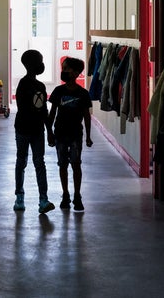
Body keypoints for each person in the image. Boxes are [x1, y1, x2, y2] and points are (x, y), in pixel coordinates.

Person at [47, 56, 93, 212]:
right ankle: (65, 194)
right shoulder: (58, 91)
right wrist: (49, 133)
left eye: (66, 69)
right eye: (63, 68)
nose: (63, 71)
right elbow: (52, 113)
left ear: (75, 73)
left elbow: (87, 116)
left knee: (76, 164)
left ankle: (77, 195)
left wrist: (88, 136)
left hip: (75, 135)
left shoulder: (83, 94)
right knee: (62, 165)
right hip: (60, 133)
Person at [13, 49, 55, 213]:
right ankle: (29, 199)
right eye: (40, 60)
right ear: (32, 65)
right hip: (29, 130)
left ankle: (33, 199)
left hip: (30, 129)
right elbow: (38, 109)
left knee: (29, 163)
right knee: (30, 163)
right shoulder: (30, 86)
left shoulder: (32, 85)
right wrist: (48, 130)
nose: (42, 64)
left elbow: (42, 109)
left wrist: (49, 131)